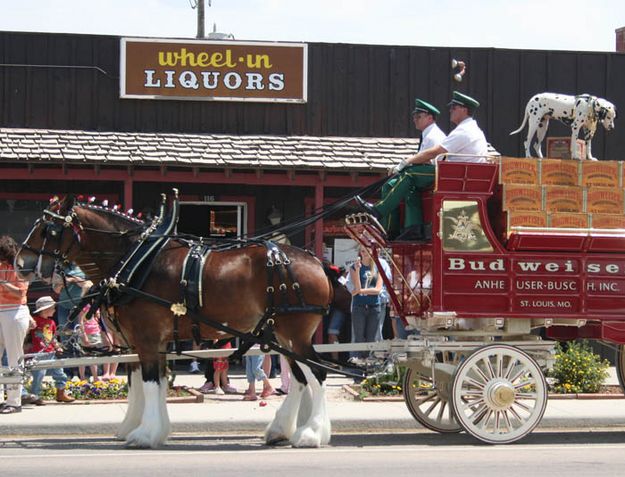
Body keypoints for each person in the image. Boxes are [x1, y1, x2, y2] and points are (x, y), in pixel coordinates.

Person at [357, 91, 489, 241]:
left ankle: (380, 211)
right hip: (456, 174)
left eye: (454, 107)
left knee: (409, 175)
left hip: (457, 176)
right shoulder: (467, 129)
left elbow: (435, 152)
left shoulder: (464, 131)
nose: (450, 110)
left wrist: (407, 162)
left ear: (464, 110)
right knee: (407, 182)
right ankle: (404, 228)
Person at [380, 98, 447, 238]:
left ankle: (384, 216)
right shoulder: (427, 135)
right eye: (414, 116)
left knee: (403, 180)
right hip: (425, 172)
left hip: (436, 173)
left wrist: (404, 165)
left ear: (430, 118)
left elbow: (428, 160)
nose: (415, 119)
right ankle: (399, 228)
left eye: (419, 116)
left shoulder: (434, 136)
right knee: (392, 186)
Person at [0, 235, 32, 414]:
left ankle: (14, 401)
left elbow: (20, 292)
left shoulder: (19, 266)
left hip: (14, 310)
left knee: (14, 358)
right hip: (2, 310)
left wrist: (3, 283)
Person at [29, 296, 75, 403]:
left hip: (51, 352)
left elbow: (52, 338)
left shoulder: (51, 323)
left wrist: (57, 346)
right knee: (38, 375)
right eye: (53, 308)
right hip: (39, 353)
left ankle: (61, 393)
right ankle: (35, 395)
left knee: (60, 373)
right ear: (45, 309)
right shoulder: (34, 321)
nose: (55, 310)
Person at [348, 247, 384, 362]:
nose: (365, 254)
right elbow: (357, 287)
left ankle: (369, 368)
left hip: (374, 307)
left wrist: (360, 292)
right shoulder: (354, 267)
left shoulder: (378, 267)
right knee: (358, 338)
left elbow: (378, 290)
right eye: (362, 251)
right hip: (359, 307)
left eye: (368, 251)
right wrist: (358, 271)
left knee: (371, 339)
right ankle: (358, 369)